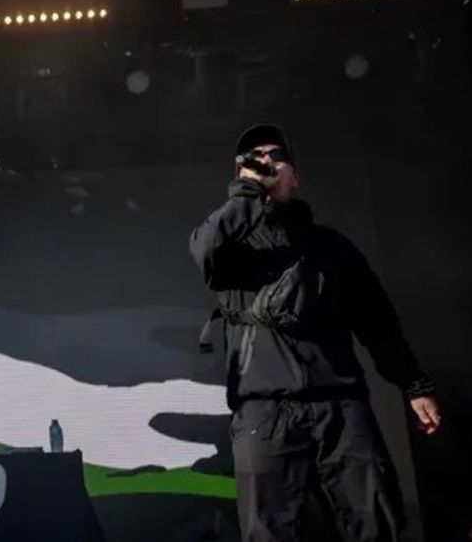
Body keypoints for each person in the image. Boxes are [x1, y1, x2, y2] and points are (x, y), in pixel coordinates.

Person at [188, 124, 443, 542]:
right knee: (270, 530)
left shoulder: (331, 247)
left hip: (340, 405)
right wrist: (248, 192)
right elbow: (207, 250)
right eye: (255, 156)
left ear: (296, 177)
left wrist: (414, 385)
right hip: (264, 411)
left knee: (375, 519)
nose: (266, 160)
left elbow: (376, 320)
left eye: (277, 155)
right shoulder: (232, 246)